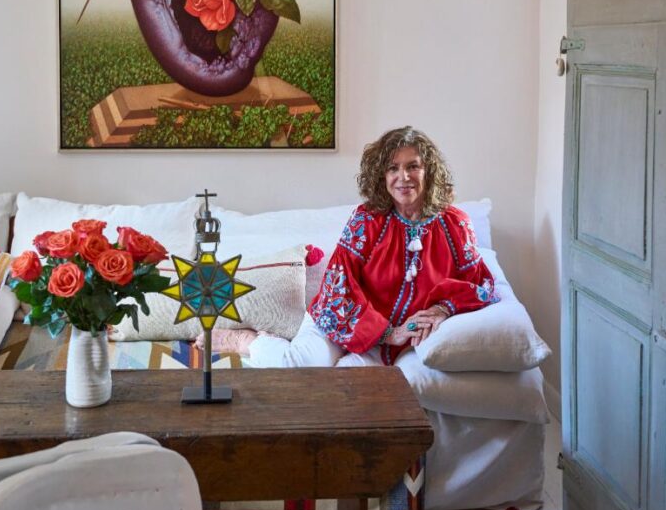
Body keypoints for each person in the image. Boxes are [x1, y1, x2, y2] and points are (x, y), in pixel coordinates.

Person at [196, 126, 497, 370]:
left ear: (428, 171)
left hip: (398, 342)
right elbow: (339, 286)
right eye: (393, 168)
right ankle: (245, 341)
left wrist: (442, 309)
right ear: (382, 177)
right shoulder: (367, 219)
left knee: (352, 388)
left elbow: (480, 283)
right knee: (298, 365)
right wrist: (386, 333)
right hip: (339, 320)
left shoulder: (455, 224)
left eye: (413, 166)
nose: (403, 177)